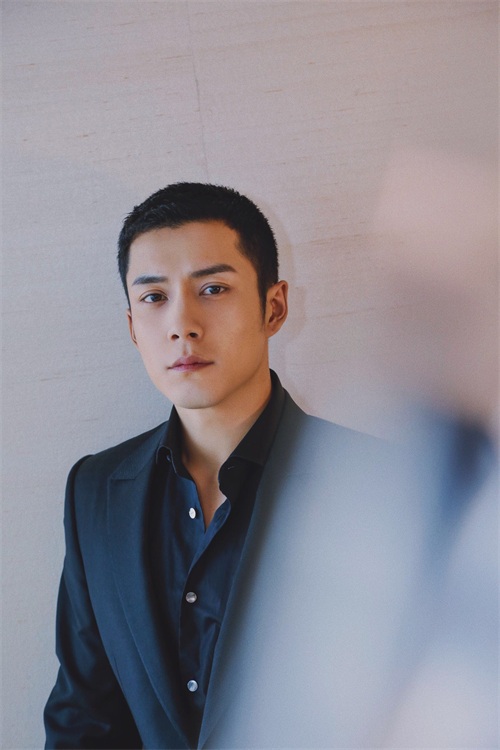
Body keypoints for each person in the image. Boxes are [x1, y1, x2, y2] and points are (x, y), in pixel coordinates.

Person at [44, 183, 493, 749]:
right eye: (154, 297)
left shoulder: (384, 486)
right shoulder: (95, 492)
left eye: (212, 289)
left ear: (274, 307)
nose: (182, 324)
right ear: (133, 326)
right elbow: (83, 718)